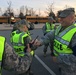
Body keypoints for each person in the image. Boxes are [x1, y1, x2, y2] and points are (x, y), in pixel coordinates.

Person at [33, 8, 76, 75]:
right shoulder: (60, 27)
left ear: (72, 18)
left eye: (63, 17)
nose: (60, 19)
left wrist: (59, 59)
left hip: (71, 68)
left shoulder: (74, 33)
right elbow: (50, 35)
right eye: (60, 17)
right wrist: (41, 41)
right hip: (62, 64)